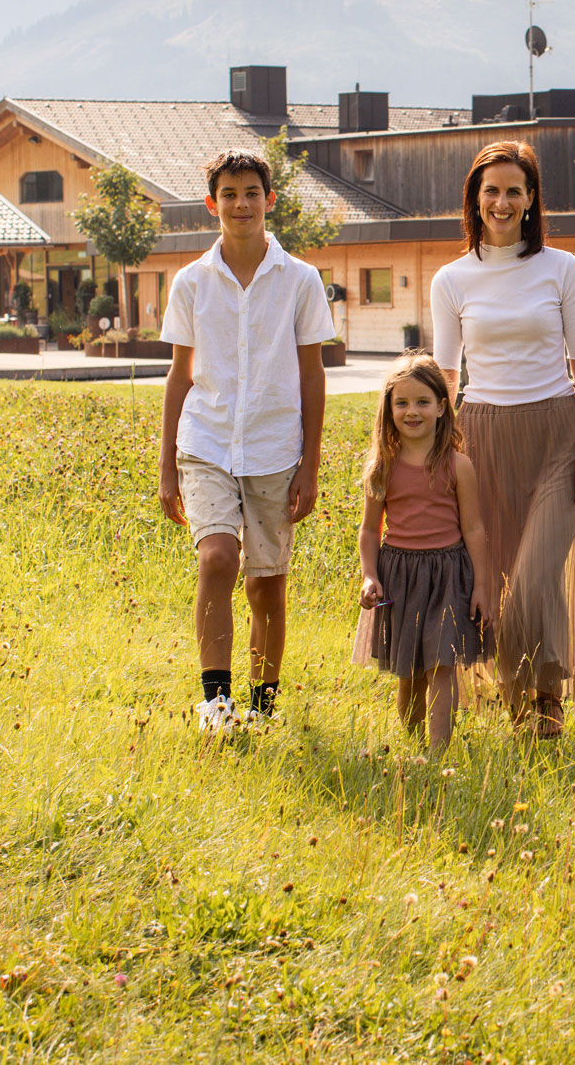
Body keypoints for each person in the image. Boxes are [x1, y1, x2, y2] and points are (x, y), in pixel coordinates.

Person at [430, 140, 575, 738]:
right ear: (475, 202)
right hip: (480, 437)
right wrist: (436, 447)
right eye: (491, 191)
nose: (502, 202)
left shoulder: (562, 268)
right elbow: (447, 374)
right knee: (500, 573)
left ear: (531, 201)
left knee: (536, 571)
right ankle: (522, 699)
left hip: (557, 435)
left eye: (514, 191)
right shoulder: (451, 279)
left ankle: (544, 690)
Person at [158, 149, 334, 733]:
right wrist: (165, 467)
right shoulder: (190, 282)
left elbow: (313, 375)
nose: (240, 204)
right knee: (216, 558)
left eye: (251, 192)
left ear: (269, 200)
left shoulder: (302, 280)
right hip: (205, 443)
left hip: (274, 448)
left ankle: (263, 706)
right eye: (228, 194)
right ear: (213, 204)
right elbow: (180, 376)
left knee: (265, 584)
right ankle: (216, 703)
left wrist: (310, 465)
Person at [357, 353, 497, 755]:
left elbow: (474, 528)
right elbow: (369, 529)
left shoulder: (458, 465)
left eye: (422, 402)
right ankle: (413, 742)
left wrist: (482, 586)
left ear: (442, 406)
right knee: (410, 671)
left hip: (449, 574)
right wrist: (370, 575)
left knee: (442, 664)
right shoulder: (382, 466)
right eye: (401, 403)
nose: (412, 411)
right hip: (399, 574)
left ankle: (437, 756)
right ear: (388, 409)